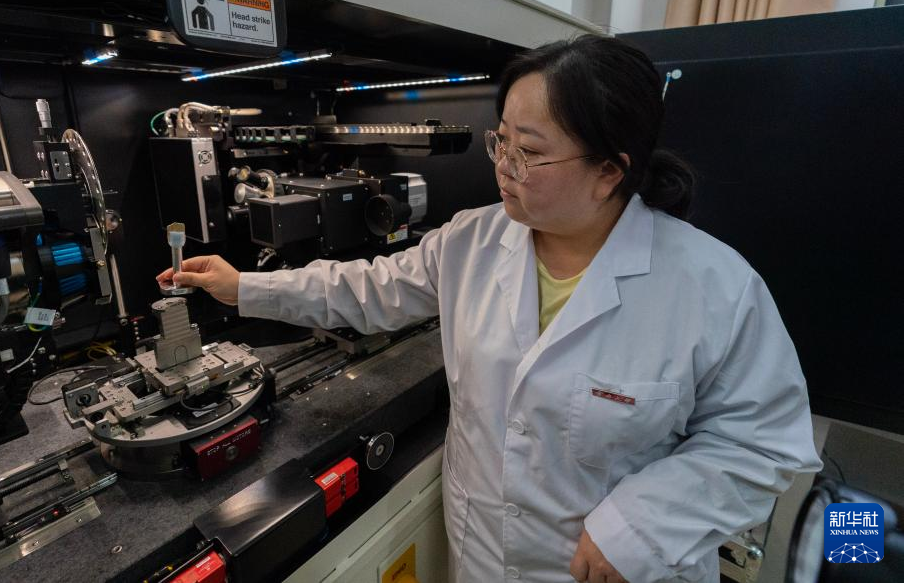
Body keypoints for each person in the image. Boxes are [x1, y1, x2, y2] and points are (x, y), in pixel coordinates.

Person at [157, 35, 822, 583]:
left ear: (609, 171)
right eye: (500, 140)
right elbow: (366, 288)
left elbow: (761, 444)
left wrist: (643, 524)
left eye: (528, 152)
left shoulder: (712, 286)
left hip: (621, 569)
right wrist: (244, 286)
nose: (503, 165)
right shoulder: (472, 241)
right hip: (485, 556)